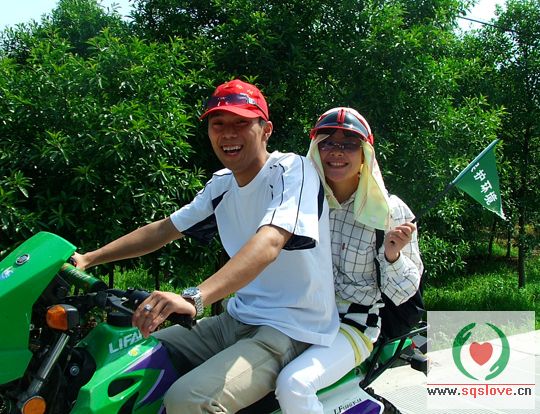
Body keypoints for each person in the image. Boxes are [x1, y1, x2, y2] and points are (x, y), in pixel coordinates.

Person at [71, 80, 340, 413]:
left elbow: (270, 242)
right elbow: (164, 229)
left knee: (189, 399)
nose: (228, 133)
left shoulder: (292, 170)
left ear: (266, 130)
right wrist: (88, 259)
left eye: (241, 122)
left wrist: (193, 298)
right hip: (236, 320)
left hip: (291, 329)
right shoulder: (222, 184)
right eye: (218, 124)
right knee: (123, 361)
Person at [275, 107, 423, 413]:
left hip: (355, 322)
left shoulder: (388, 210)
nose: (337, 152)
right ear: (316, 149)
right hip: (301, 312)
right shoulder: (303, 200)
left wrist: (393, 255)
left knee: (294, 386)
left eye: (350, 144)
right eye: (328, 142)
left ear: (365, 153)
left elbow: (406, 291)